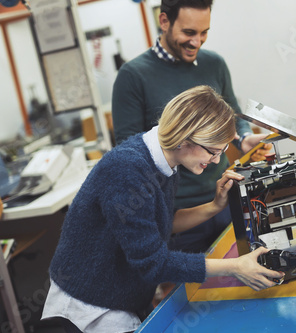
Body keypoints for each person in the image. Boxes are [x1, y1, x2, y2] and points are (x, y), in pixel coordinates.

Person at [42, 86, 284, 333]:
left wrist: (215, 206)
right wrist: (234, 266)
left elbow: (163, 222)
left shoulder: (164, 160)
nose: (216, 160)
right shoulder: (128, 170)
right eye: (213, 151)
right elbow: (153, 263)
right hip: (90, 306)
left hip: (122, 294)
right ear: (184, 138)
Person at [111, 0, 272, 253]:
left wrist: (243, 139)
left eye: (204, 32)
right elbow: (129, 154)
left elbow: (232, 114)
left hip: (225, 201)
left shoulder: (214, 64)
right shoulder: (133, 76)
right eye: (188, 33)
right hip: (179, 218)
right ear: (164, 21)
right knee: (191, 290)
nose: (197, 42)